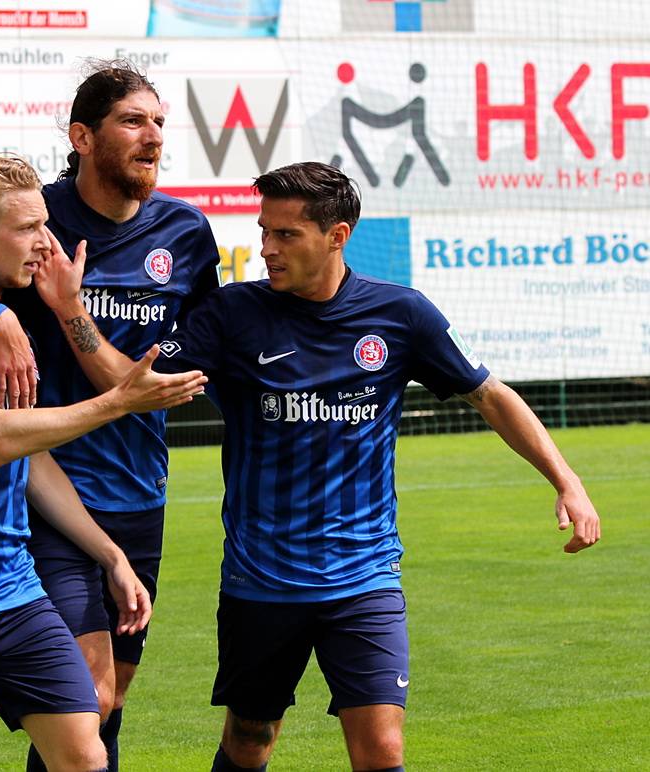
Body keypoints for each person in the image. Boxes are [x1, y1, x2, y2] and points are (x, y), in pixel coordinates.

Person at [37, 160, 602, 771]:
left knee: (382, 747)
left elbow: (489, 395)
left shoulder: (401, 314)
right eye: (264, 232)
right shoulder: (231, 315)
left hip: (366, 577)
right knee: (250, 738)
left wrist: (567, 481)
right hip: (261, 581)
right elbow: (131, 386)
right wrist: (72, 311)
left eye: (286, 235)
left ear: (337, 236)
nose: (267, 249)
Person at [0, 60, 220, 770]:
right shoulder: (24, 217)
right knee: (89, 699)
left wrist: (72, 315)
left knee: (103, 709)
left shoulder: (185, 231)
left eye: (158, 122)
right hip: (29, 507)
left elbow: (145, 379)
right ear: (83, 137)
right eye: (133, 121)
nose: (153, 136)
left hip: (134, 494)